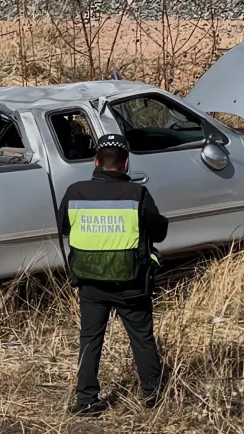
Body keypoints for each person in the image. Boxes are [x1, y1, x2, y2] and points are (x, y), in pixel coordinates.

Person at [56, 133, 169, 417]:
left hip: (90, 282)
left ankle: (86, 400)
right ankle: (153, 397)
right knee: (142, 338)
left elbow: (64, 228)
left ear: (95, 162)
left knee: (90, 339)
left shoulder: (75, 192)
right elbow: (160, 232)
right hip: (131, 283)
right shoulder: (137, 195)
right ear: (126, 165)